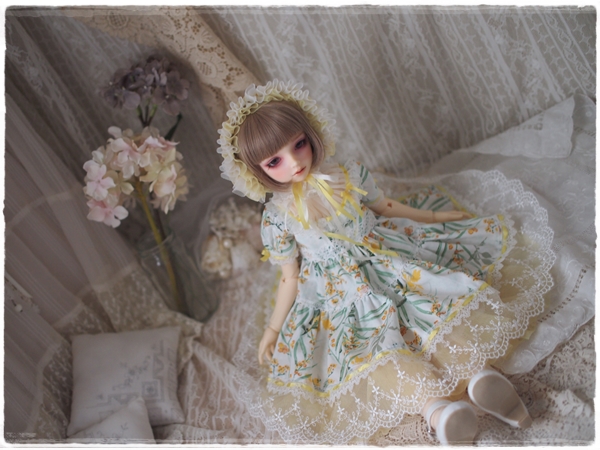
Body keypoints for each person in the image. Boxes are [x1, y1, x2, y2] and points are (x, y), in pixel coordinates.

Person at [217, 80, 546, 445]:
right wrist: (274, 329)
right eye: (274, 161)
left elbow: (384, 207)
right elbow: (289, 276)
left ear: (312, 134)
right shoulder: (279, 217)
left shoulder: (347, 175)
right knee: (378, 344)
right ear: (257, 172)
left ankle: (478, 378)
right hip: (340, 290)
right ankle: (440, 409)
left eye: (299, 144)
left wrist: (433, 219)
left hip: (387, 254)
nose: (294, 162)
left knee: (425, 308)